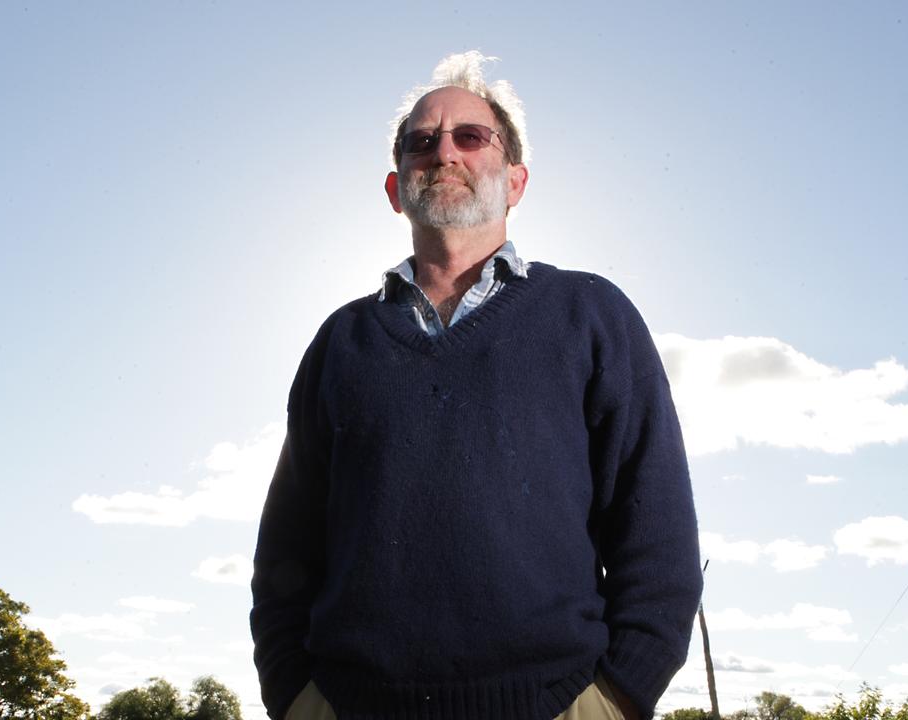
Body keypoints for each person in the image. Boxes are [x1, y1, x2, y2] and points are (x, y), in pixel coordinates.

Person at [250, 51, 702, 720]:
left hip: (560, 702)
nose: (444, 153)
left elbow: (654, 527)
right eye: (422, 141)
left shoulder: (590, 314)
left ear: (515, 181)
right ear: (396, 186)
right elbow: (287, 549)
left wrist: (620, 695)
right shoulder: (340, 343)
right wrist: (293, 694)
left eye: (471, 136)